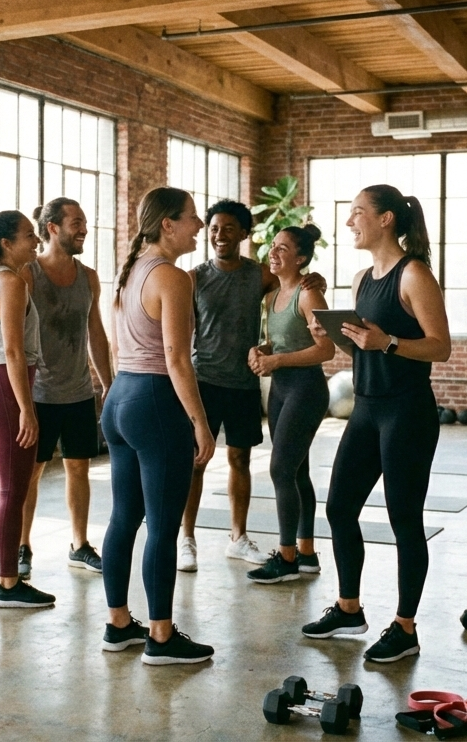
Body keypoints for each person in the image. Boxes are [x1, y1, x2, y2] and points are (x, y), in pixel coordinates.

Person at [300, 185, 451, 663]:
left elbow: (440, 347)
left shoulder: (414, 274)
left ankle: (405, 628)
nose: (350, 222)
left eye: (357, 213)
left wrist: (387, 343)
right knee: (340, 507)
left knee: (404, 520)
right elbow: (366, 345)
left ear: (386, 219)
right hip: (366, 408)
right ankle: (349, 608)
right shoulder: (363, 278)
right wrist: (338, 335)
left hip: (407, 411)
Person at [0, 198, 114, 579]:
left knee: (78, 468)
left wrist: (108, 383)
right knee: (26, 476)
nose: (83, 229)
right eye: (76, 222)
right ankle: (20, 547)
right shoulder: (24, 274)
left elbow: (95, 334)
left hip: (78, 390)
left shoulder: (90, 277)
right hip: (35, 394)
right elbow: (1, 335)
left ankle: (79, 545)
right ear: (53, 228)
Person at [101, 186, 216, 665]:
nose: (200, 226)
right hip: (154, 401)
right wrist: (201, 422)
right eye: (192, 218)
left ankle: (119, 624)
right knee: (164, 526)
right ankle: (162, 638)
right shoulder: (172, 276)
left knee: (124, 518)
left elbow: (117, 347)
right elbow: (175, 359)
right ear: (168, 224)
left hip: (120, 399)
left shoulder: (131, 272)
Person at [178, 200, 324, 572]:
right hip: (204, 381)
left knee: (240, 459)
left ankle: (238, 537)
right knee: (196, 461)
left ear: (244, 234)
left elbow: (295, 285)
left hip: (244, 384)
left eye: (228, 228)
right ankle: (187, 538)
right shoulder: (194, 277)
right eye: (213, 228)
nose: (219, 235)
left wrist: (316, 280)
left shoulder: (262, 276)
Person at [0, 210, 57, 609]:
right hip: (4, 390)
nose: (36, 242)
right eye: (29, 236)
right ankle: (8, 583)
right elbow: (14, 351)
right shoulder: (13, 282)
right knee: (11, 490)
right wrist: (27, 410)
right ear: (6, 244)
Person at [244, 225, 335, 584]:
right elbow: (276, 342)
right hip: (280, 390)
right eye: (273, 246)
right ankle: (307, 554)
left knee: (281, 470)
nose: (275, 252)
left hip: (306, 389)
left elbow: (325, 350)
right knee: (296, 472)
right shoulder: (272, 296)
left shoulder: (308, 294)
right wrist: (262, 350)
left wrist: (277, 362)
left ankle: (286, 557)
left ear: (301, 259)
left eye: (284, 248)